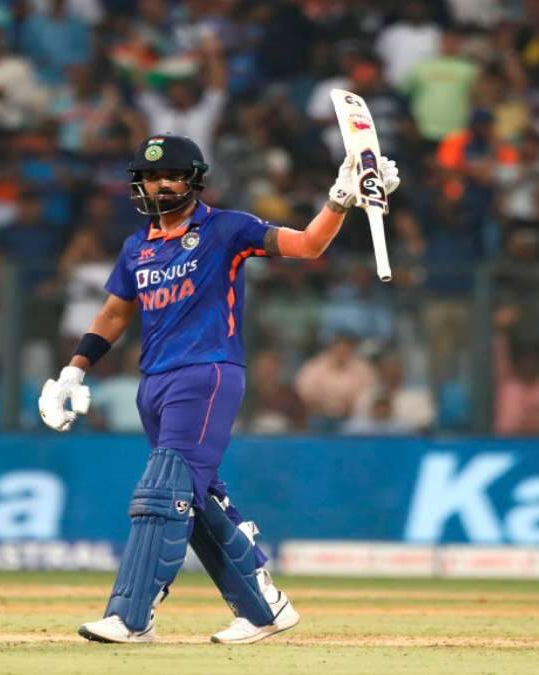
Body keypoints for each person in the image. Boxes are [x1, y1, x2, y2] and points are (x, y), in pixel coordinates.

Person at [37, 134, 399, 644]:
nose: (160, 185)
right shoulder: (136, 247)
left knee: (164, 491)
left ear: (193, 180)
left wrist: (339, 201)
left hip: (206, 373)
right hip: (154, 381)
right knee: (195, 498)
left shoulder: (226, 228)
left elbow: (307, 245)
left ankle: (131, 615)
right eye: (150, 177)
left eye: (172, 176)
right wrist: (73, 371)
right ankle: (263, 608)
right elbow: (114, 313)